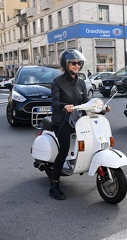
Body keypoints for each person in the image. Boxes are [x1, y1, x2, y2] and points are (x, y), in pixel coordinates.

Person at [49, 49, 90, 200]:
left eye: (79, 63)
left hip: (79, 118)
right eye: (73, 63)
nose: (76, 65)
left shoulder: (81, 82)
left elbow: (85, 101)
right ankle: (54, 185)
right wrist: (63, 107)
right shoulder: (57, 82)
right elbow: (54, 101)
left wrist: (101, 107)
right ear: (66, 65)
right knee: (64, 149)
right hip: (62, 120)